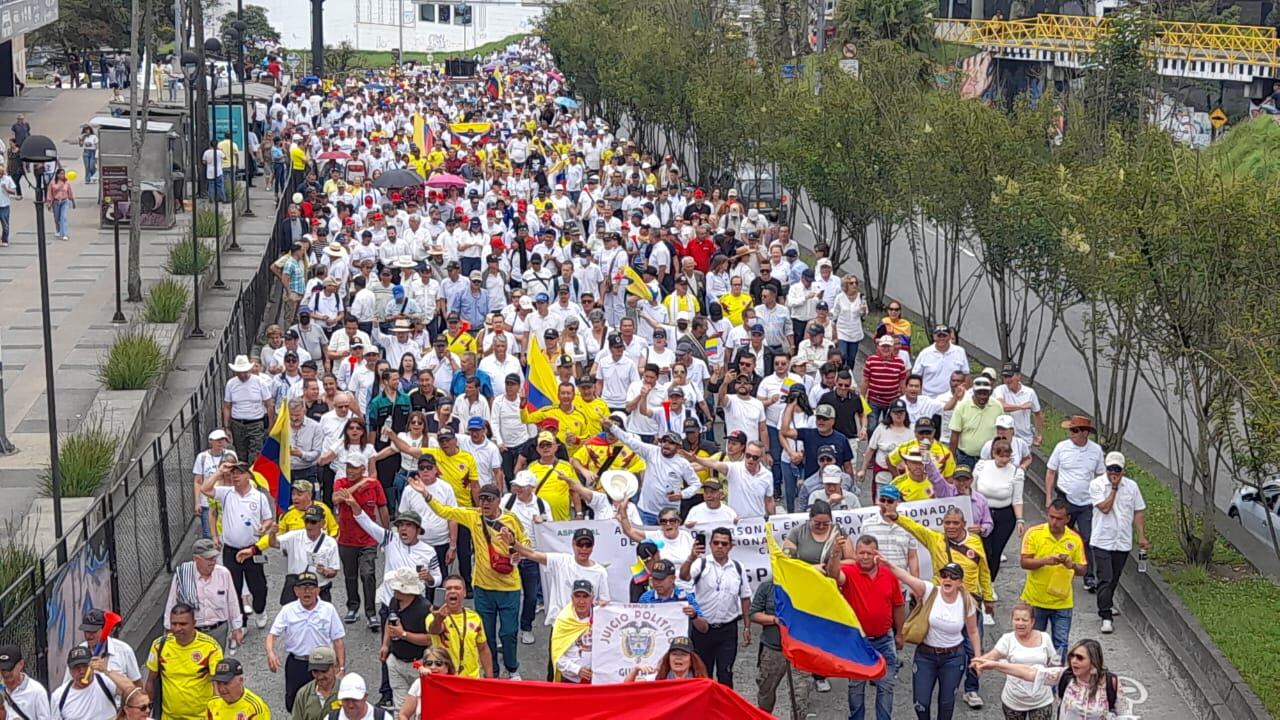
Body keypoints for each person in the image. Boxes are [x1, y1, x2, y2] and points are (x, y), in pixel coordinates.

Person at [418, 480, 527, 680]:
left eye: (489, 499)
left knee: (509, 633)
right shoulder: (473, 516)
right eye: (482, 499)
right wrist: (426, 494)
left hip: (510, 586)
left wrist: (515, 549)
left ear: (498, 501)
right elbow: (445, 511)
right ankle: (492, 673)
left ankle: (512, 668)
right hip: (483, 587)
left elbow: (526, 543)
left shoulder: (511, 519)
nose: (485, 503)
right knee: (486, 636)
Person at [890, 505, 992, 708]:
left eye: (955, 523)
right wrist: (896, 517)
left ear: (964, 524)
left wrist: (989, 598)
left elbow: (984, 571)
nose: (951, 526)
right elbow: (915, 528)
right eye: (947, 523)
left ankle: (971, 689)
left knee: (973, 648)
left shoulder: (975, 543)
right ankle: (938, 678)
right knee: (935, 643)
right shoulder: (935, 539)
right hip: (941, 602)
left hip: (970, 603)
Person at [879, 558, 981, 720]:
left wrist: (977, 657)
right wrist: (887, 564)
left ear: (960, 582)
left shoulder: (966, 602)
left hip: (954, 657)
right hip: (926, 655)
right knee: (921, 703)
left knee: (946, 704)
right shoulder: (929, 591)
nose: (948, 579)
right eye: (944, 575)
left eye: (953, 577)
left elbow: (973, 631)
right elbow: (906, 577)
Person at [827, 535, 905, 720]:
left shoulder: (889, 574)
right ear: (855, 553)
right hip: (857, 641)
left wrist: (900, 633)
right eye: (861, 552)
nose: (864, 557)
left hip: (885, 639)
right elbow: (833, 575)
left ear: (876, 554)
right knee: (856, 687)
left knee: (886, 687)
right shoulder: (849, 570)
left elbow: (898, 605)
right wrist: (835, 554)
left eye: (869, 553)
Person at [972, 639, 1125, 720]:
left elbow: (1125, 715)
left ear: (1094, 661)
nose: (1074, 661)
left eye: (1080, 658)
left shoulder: (1111, 684)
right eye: (1072, 656)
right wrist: (995, 665)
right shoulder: (1065, 676)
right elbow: (1029, 672)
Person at [199, 460, 273, 629]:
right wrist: (219, 472)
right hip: (231, 550)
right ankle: (242, 622)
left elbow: (268, 519)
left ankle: (260, 610)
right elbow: (205, 489)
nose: (235, 476)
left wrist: (265, 526)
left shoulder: (259, 497)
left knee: (258, 585)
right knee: (234, 587)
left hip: (253, 549)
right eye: (233, 473)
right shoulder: (226, 493)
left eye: (239, 473)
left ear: (248, 475)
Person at [678, 527, 752, 687]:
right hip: (703, 629)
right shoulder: (701, 563)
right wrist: (691, 557)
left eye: (724, 544)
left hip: (728, 629)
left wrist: (747, 627)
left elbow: (745, 597)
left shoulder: (738, 568)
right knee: (703, 675)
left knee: (726, 674)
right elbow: (684, 576)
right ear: (710, 544)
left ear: (730, 546)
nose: (720, 546)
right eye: (716, 543)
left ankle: (725, 710)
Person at [265, 572, 346, 712]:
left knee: (327, 700)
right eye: (302, 588)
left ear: (318, 590)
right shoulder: (288, 610)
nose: (306, 591)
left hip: (323, 663)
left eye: (310, 587)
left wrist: (341, 667)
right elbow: (272, 635)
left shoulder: (328, 609)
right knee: (294, 702)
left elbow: (338, 640)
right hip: (298, 663)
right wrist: (271, 653)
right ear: (296, 591)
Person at [1020, 499, 1088, 662]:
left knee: (1061, 645)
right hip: (1036, 601)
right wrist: (1045, 560)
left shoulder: (1075, 539)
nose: (1053, 522)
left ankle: (1056, 682)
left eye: (1058, 518)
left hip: (1062, 603)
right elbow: (1024, 562)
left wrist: (1071, 565)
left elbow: (1083, 569)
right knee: (1033, 644)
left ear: (1067, 519)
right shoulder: (1034, 533)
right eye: (1051, 517)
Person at [1043, 416, 1105, 591]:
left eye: (1076, 430)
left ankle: (1089, 575)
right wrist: (1049, 497)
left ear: (1085, 433)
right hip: (1065, 497)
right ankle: (1052, 568)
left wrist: (1100, 499)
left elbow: (1101, 476)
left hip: (1087, 501)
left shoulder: (1096, 451)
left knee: (1088, 538)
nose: (1072, 434)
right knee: (1057, 533)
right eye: (1071, 430)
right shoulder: (1061, 448)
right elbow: (1050, 472)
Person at [1089, 451, 1148, 634]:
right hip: (1102, 540)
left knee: (1114, 577)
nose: (1113, 472)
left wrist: (1141, 535)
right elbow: (1105, 508)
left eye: (1117, 469)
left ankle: (1107, 601)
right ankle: (1105, 615)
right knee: (1105, 577)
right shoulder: (1097, 484)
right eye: (1110, 469)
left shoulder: (1132, 486)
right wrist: (1113, 489)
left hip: (1121, 541)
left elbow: (1138, 511)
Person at [971, 603, 1058, 720]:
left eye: (1024, 620)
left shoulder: (1045, 638)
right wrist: (981, 661)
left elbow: (1053, 663)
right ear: (1012, 621)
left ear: (1032, 622)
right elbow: (994, 655)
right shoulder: (1007, 639)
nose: (1020, 623)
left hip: (1041, 699)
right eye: (1017, 619)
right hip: (1014, 699)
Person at [243, 504, 341, 604]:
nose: (309, 525)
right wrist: (272, 533)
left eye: (313, 522)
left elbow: (334, 570)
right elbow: (274, 543)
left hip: (319, 590)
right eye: (306, 521)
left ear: (322, 523)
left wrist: (325, 571)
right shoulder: (295, 536)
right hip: (297, 589)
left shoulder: (330, 543)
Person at [163, 539, 243, 651]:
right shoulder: (183, 574)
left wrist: (237, 628)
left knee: (216, 666)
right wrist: (168, 628)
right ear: (196, 559)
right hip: (192, 633)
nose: (213, 562)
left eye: (214, 558)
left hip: (218, 630)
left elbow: (232, 602)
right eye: (208, 559)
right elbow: (172, 602)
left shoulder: (223, 573)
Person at [749, 577, 812, 715]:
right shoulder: (767, 586)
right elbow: (753, 614)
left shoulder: (807, 585)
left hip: (799, 650)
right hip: (773, 649)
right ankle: (764, 716)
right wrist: (774, 620)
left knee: (800, 695)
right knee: (766, 691)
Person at [379, 567, 435, 709]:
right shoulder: (394, 601)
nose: (394, 590)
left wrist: (403, 634)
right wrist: (385, 645)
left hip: (418, 663)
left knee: (421, 707)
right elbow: (389, 622)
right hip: (396, 660)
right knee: (400, 708)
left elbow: (430, 639)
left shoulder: (425, 608)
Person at [427, 575, 495, 679]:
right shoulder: (433, 616)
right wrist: (439, 618)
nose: (452, 591)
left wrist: (490, 678)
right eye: (448, 588)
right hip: (445, 678)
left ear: (464, 593)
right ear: (443, 594)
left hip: (471, 679)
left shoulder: (475, 617)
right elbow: (434, 630)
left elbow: (483, 648)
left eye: (457, 588)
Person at [51, 648, 136, 720]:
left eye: (85, 666)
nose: (82, 671)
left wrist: (107, 670)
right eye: (77, 668)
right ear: (70, 671)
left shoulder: (104, 681)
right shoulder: (59, 697)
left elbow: (132, 691)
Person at [66, 609, 141, 685]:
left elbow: (137, 684)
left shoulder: (124, 650)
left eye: (93, 631)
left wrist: (107, 670)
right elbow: (67, 685)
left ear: (104, 629)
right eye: (86, 631)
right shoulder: (77, 653)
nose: (88, 635)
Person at [550, 579, 598, 683]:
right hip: (570, 681)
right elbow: (557, 656)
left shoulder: (601, 617)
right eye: (577, 596)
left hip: (597, 680)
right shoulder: (563, 620)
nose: (581, 601)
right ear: (572, 598)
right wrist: (577, 670)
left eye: (585, 596)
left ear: (592, 598)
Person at [395, 647, 455, 720]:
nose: (433, 667)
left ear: (447, 667)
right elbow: (403, 714)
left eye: (438, 663)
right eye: (429, 663)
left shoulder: (456, 686)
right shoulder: (418, 684)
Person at [621, 636, 709, 682]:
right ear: (668, 658)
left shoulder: (701, 682)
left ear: (691, 661)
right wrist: (635, 671)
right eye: (674, 654)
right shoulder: (657, 678)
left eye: (683, 654)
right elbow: (627, 689)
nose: (678, 658)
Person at [0, 644, 53, 720]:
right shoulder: (1, 688)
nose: (6, 673)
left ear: (21, 664)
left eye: (9, 668)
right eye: (2, 669)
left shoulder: (37, 691)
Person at [205, 658, 269, 720]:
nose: (221, 689)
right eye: (218, 683)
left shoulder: (254, 708)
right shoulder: (212, 704)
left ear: (241, 681)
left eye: (226, 683)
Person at [290, 646, 342, 720]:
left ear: (335, 667)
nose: (320, 676)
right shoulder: (303, 694)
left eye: (324, 671)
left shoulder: (347, 692)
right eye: (315, 671)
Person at [46, 168, 75, 241]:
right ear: (57, 175)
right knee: (57, 218)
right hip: (56, 202)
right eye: (61, 174)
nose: (63, 175)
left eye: (63, 174)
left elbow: (70, 192)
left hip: (64, 201)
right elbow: (50, 193)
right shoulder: (52, 183)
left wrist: (73, 201)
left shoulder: (67, 183)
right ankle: (58, 230)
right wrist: (49, 203)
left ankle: (64, 234)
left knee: (64, 217)